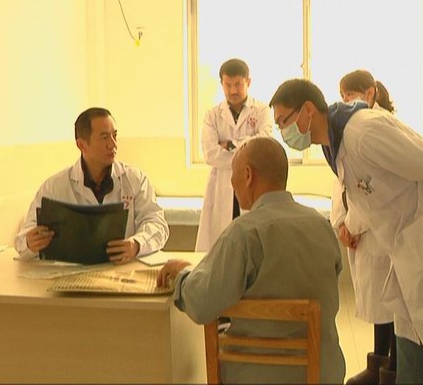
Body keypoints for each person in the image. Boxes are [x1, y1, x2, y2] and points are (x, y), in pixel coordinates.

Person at [269, 78, 423, 384]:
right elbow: (366, 197)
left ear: (307, 110)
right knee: (409, 335)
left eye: (283, 121)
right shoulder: (335, 144)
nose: (283, 131)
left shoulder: (363, 132)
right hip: (410, 245)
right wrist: (346, 225)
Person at [158, 137, 345, 384]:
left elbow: (202, 304)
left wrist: (183, 275)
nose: (232, 185)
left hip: (255, 375)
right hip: (322, 373)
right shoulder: (323, 227)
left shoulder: (243, 234)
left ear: (248, 175)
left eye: (233, 175)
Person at [15, 107, 169, 263]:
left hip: (122, 270)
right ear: (82, 145)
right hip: (71, 272)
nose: (113, 144)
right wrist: (30, 242)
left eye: (115, 136)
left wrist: (137, 244)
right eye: (104, 137)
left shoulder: (135, 179)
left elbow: (157, 224)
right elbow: (22, 241)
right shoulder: (54, 187)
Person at [333, 70, 397, 384]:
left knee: (393, 307)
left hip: (380, 231)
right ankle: (378, 366)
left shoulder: (381, 128)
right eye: (343, 95)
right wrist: (340, 224)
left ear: (370, 93)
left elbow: (375, 187)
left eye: (351, 94)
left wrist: (353, 226)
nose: (346, 101)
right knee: (379, 306)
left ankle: (391, 370)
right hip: (359, 231)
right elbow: (340, 183)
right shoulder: (348, 129)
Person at [195, 58, 272, 252]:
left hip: (252, 182)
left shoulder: (261, 110)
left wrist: (230, 144)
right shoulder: (212, 116)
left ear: (248, 82)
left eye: (238, 84)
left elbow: (263, 145)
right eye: (228, 85)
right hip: (221, 185)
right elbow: (210, 154)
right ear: (221, 84)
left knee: (252, 244)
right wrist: (247, 147)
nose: (233, 90)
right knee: (220, 246)